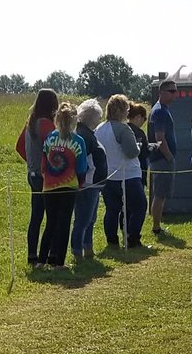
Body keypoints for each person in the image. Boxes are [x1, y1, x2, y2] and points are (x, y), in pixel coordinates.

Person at [39, 103, 87, 268]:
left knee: (50, 223)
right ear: (75, 120)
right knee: (64, 223)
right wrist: (80, 183)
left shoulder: (50, 138)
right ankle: (59, 262)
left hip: (49, 185)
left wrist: (46, 177)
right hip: (69, 185)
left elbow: (43, 161)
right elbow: (81, 167)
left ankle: (41, 260)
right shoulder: (78, 141)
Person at [95, 94, 146, 249]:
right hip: (127, 174)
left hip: (108, 175)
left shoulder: (99, 129)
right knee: (139, 206)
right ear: (123, 111)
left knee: (112, 209)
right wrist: (138, 146)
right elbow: (131, 152)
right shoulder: (123, 129)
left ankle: (112, 240)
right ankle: (133, 238)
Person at [16, 89, 58, 265]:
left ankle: (32, 256)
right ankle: (47, 256)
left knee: (36, 217)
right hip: (44, 176)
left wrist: (32, 162)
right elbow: (56, 148)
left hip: (32, 174)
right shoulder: (46, 125)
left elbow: (19, 147)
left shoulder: (30, 123)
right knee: (53, 217)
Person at [72, 99, 107, 263]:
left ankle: (87, 248)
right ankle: (78, 251)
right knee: (83, 219)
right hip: (87, 183)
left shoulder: (85, 132)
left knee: (89, 219)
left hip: (93, 183)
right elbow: (82, 160)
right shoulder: (84, 135)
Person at [147, 78, 179, 235]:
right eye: (171, 91)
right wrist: (169, 157)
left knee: (161, 194)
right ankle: (156, 227)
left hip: (162, 159)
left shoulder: (163, 109)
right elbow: (160, 138)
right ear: (161, 93)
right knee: (159, 194)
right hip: (161, 159)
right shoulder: (159, 111)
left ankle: (157, 225)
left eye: (176, 90)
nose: (175, 94)